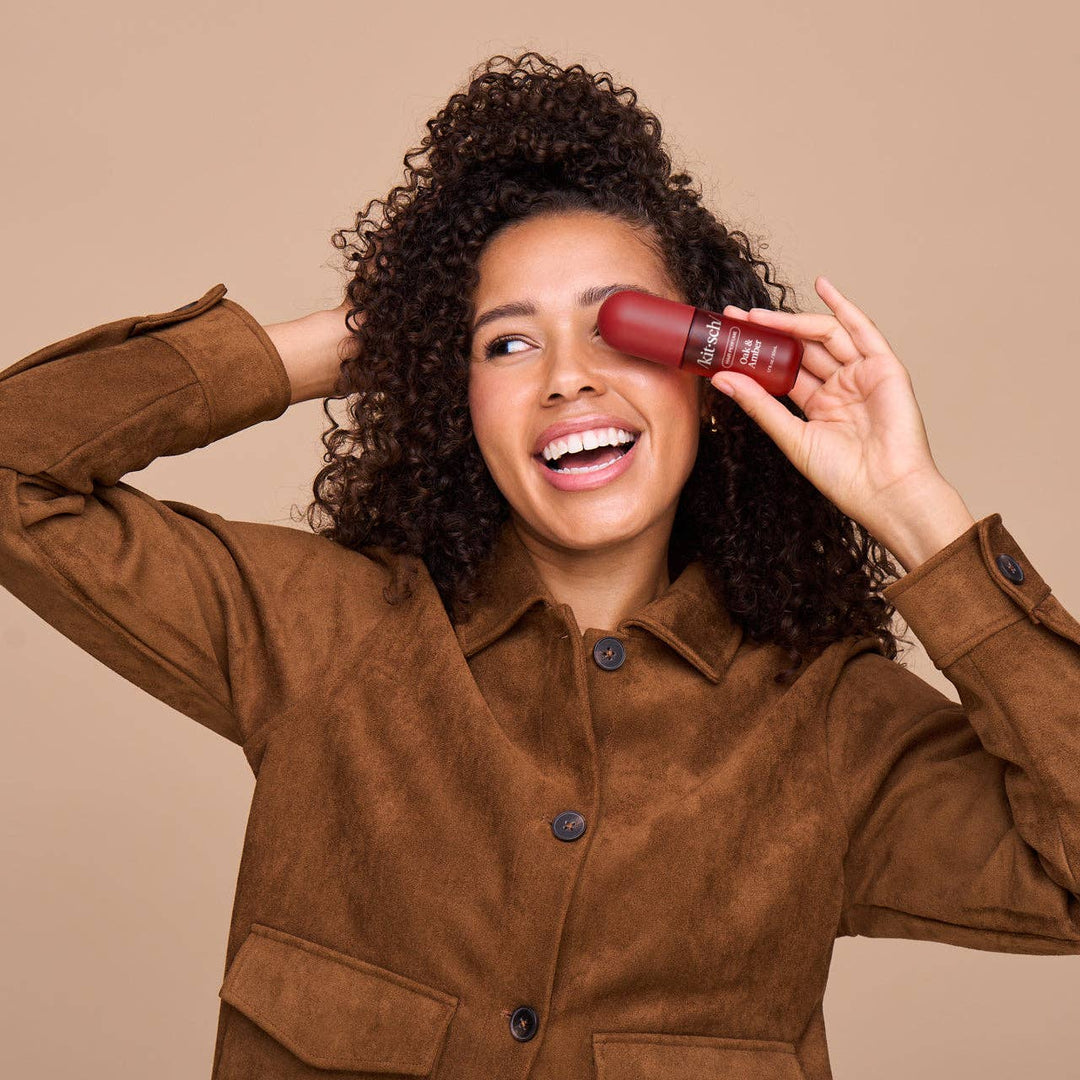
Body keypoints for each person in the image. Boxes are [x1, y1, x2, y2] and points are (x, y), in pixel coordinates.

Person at [2, 50, 1078, 1080]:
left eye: (619, 328)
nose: (566, 378)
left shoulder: (831, 727)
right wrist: (353, 336)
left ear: (706, 377)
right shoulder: (322, 632)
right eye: (505, 344)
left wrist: (916, 510)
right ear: (448, 395)